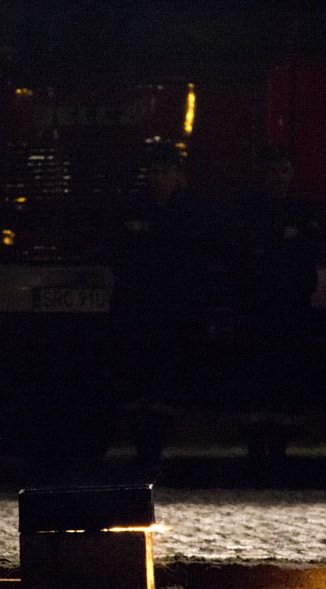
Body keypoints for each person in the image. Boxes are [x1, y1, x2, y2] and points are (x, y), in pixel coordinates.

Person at [111, 142, 209, 462]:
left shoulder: (190, 214)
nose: (158, 179)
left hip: (171, 311)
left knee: (165, 384)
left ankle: (156, 449)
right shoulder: (135, 209)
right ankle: (144, 450)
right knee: (140, 385)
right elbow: (119, 254)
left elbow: (195, 263)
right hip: (138, 309)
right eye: (154, 172)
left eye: (165, 172)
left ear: (179, 177)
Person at [236, 146, 319, 458]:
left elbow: (307, 254)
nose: (278, 177)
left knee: (285, 375)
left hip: (290, 306)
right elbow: (242, 255)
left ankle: (280, 447)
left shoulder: (303, 211)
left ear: (292, 173)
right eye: (272, 171)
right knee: (256, 374)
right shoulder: (248, 210)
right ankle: (257, 447)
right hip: (257, 305)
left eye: (284, 170)